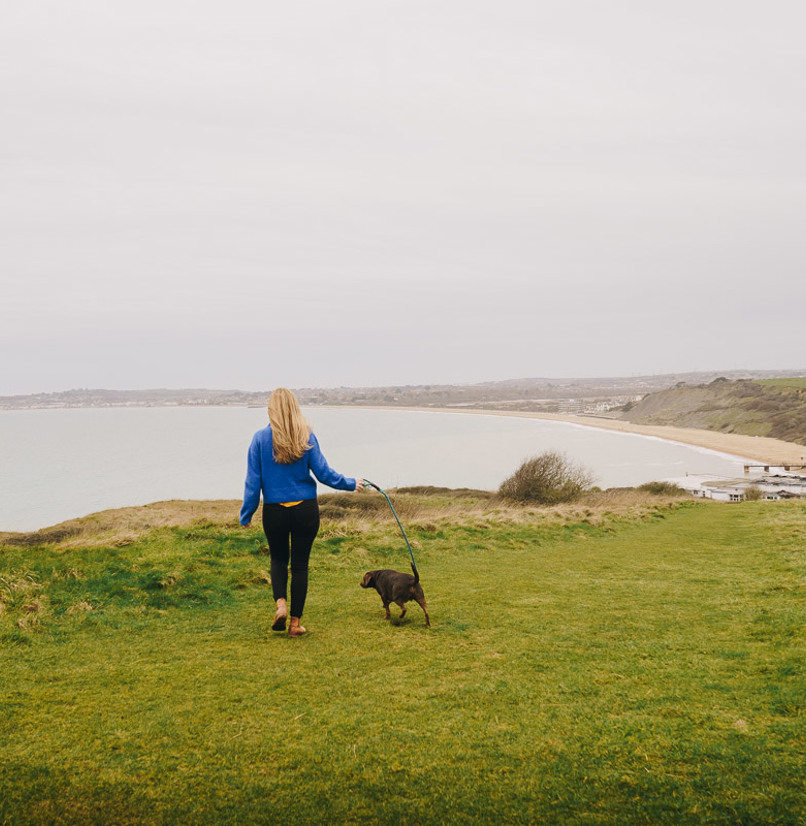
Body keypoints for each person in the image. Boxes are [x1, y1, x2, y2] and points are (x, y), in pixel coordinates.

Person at [239, 388, 363, 637]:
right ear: (295, 407)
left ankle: (281, 605)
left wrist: (247, 514)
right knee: (300, 566)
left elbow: (253, 483)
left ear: (271, 409)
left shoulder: (260, 439)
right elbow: (324, 473)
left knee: (278, 560)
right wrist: (351, 483)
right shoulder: (306, 436)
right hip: (305, 509)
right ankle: (295, 625)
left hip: (275, 511)